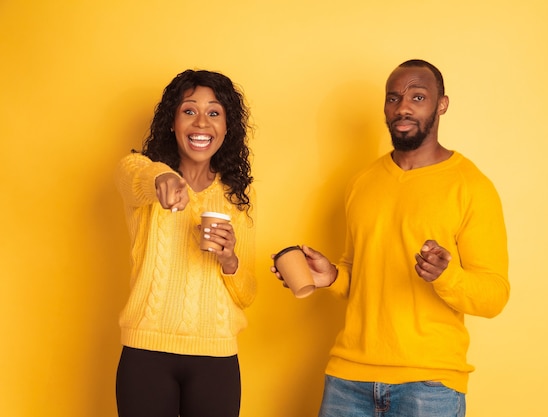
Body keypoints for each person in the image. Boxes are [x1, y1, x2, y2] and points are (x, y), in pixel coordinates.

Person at [272, 59, 509, 417]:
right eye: (393, 98)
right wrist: (333, 276)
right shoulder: (363, 182)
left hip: (429, 385)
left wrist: (447, 276)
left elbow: (495, 295)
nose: (403, 108)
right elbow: (360, 272)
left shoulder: (472, 186)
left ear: (441, 104)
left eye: (418, 97)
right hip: (347, 380)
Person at [115, 69, 256, 417]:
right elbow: (130, 171)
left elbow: (248, 293)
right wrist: (162, 176)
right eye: (189, 111)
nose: (201, 123)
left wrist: (230, 261)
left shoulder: (236, 196)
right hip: (146, 353)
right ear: (173, 123)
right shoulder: (149, 178)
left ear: (227, 127)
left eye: (214, 113)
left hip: (216, 357)